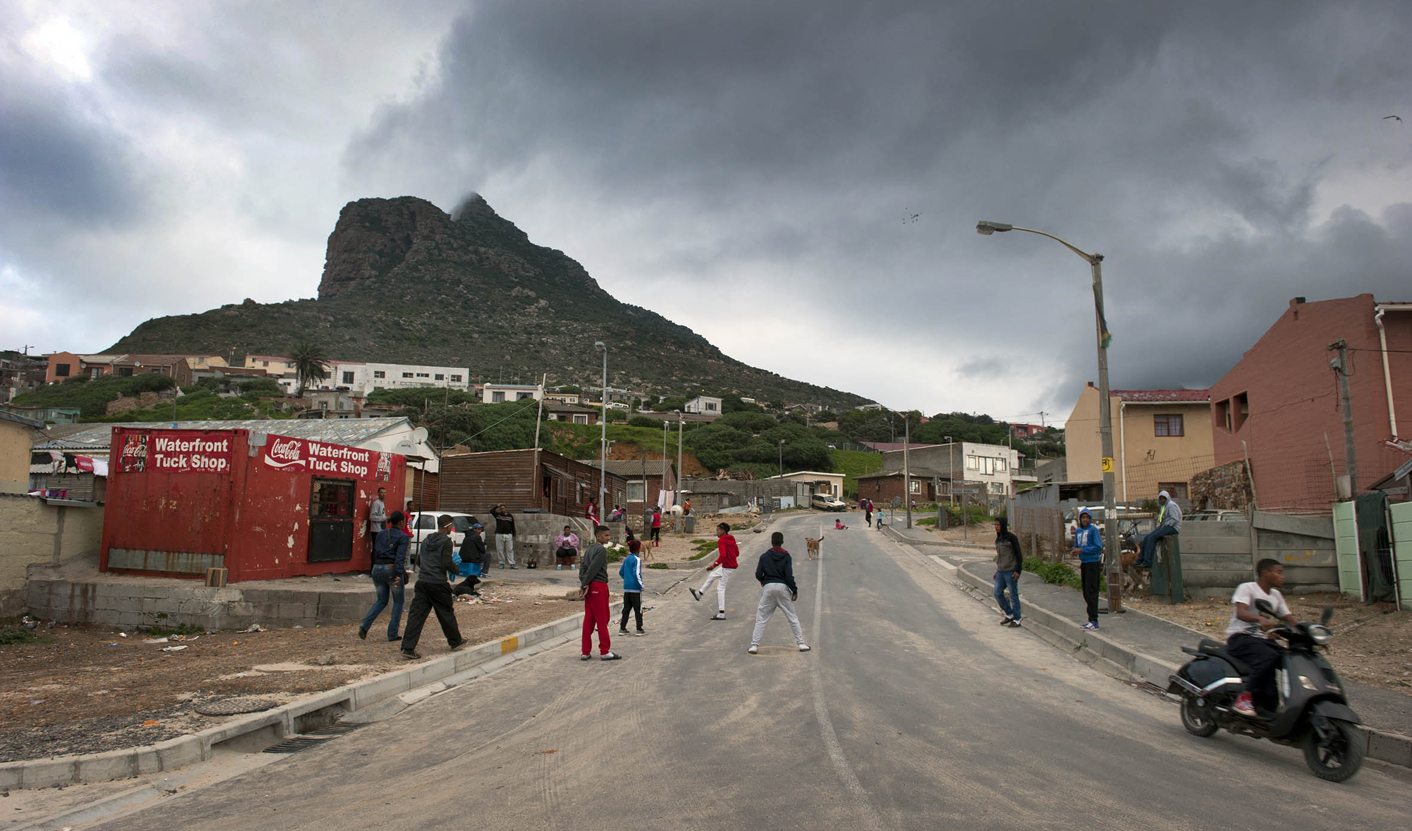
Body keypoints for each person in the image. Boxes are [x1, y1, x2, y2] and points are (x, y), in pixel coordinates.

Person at [1226, 559, 1299, 716]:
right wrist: (1259, 619)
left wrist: (1307, 631)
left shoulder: (1276, 595)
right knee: (1268, 657)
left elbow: (1288, 617)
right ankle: (1243, 698)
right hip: (1241, 637)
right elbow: (1241, 612)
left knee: (1292, 660)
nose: (1282, 577)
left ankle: (1283, 703)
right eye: (1279, 572)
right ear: (1266, 573)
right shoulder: (1247, 588)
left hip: (1263, 640)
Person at [400, 515, 467, 659]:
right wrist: (457, 570)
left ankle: (407, 647)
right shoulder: (447, 542)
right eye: (451, 526)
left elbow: (418, 560)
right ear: (448, 526)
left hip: (423, 582)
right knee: (446, 613)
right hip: (438, 583)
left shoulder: (426, 540)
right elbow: (445, 563)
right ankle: (455, 641)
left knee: (416, 616)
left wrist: (427, 569)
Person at [748, 531, 809, 654]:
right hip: (782, 588)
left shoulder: (764, 556)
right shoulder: (786, 556)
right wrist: (794, 590)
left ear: (771, 541)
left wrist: (763, 581)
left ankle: (754, 645)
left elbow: (758, 574)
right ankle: (801, 644)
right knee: (792, 617)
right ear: (782, 542)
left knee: (761, 617)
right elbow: (788, 576)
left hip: (768, 588)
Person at [359, 511, 408, 641]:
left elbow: (375, 551)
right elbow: (400, 557)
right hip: (391, 569)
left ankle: (365, 625)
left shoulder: (381, 534)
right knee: (398, 602)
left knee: (381, 600)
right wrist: (398, 573)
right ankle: (392, 634)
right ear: (401, 522)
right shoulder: (402, 537)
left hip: (377, 568)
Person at [578, 524, 621, 660]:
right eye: (606, 535)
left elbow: (583, 568)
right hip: (598, 585)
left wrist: (584, 584)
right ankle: (604, 651)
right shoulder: (601, 550)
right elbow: (593, 568)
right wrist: (586, 583)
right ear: (598, 536)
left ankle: (585, 651)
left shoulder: (589, 549)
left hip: (590, 586)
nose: (608, 538)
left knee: (589, 619)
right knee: (602, 619)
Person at [690, 522, 739, 620]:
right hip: (730, 566)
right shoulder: (732, 538)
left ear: (723, 531)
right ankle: (699, 594)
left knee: (720, 589)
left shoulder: (721, 540)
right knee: (712, 576)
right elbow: (737, 553)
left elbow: (723, 556)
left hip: (727, 567)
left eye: (718, 530)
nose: (716, 532)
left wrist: (713, 565)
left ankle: (721, 613)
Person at [1072, 510, 1104, 630]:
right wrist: (1075, 549)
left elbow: (1098, 547)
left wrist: (1083, 550)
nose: (1085, 520)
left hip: (1093, 563)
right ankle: (1090, 619)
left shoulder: (1093, 530)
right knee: (1085, 592)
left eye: (1087, 517)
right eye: (1083, 517)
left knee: (1092, 592)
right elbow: (1076, 544)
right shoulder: (1079, 531)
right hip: (1084, 563)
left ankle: (1094, 620)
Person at [1137, 490, 1183, 569]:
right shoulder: (1163, 507)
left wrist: (1165, 526)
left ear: (1167, 498)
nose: (1161, 500)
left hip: (1173, 527)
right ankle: (1140, 560)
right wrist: (1160, 527)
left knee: (1152, 538)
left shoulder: (1171, 505)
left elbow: (1174, 519)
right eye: (1160, 499)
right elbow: (1161, 519)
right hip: (1165, 526)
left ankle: (1148, 562)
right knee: (1147, 537)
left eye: (1163, 499)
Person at [994, 518, 1023, 628]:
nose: (996, 527)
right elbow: (1000, 556)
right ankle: (1010, 614)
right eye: (995, 524)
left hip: (1011, 571)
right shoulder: (998, 539)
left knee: (1013, 595)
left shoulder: (1011, 538)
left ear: (1003, 525)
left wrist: (1018, 570)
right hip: (1000, 572)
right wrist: (997, 570)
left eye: (998, 524)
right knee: (997, 593)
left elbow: (1019, 554)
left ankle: (1017, 619)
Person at [452, 521, 487, 597]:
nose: (479, 531)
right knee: (488, 555)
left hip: (463, 558)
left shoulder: (467, 535)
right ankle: (483, 572)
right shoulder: (477, 537)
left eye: (480, 529)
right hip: (471, 558)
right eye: (478, 529)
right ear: (474, 529)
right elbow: (482, 550)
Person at [619, 539, 645, 635]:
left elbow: (621, 572)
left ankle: (622, 628)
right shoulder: (637, 559)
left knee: (626, 609)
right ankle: (639, 629)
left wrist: (627, 579)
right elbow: (637, 574)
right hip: (635, 589)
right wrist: (641, 585)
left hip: (627, 588)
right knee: (638, 609)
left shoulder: (626, 559)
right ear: (638, 548)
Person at [491, 504, 517, 569]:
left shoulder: (510, 516)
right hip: (499, 534)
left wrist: (514, 534)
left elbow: (512, 525)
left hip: (508, 534)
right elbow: (491, 511)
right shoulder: (498, 515)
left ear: (505, 509)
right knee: (500, 549)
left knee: (510, 549)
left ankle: (512, 563)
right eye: (501, 508)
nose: (502, 509)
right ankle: (501, 563)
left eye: (503, 508)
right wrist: (497, 506)